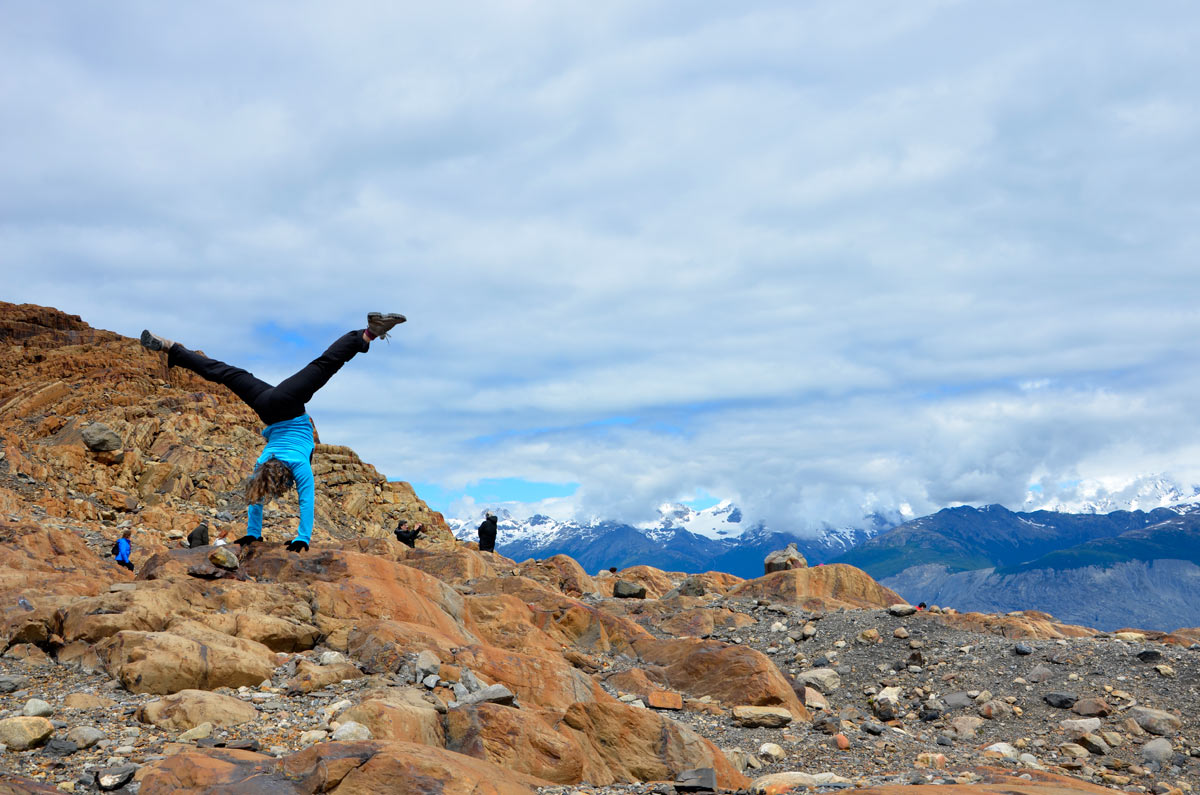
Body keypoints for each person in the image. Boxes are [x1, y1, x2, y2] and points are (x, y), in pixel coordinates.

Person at [140, 312, 406, 553]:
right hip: (266, 406)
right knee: (226, 373)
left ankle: (367, 334)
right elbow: (256, 496)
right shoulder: (263, 460)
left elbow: (305, 501)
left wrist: (300, 537)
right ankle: (171, 348)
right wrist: (253, 533)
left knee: (324, 366)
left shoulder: (298, 465)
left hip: (287, 406)